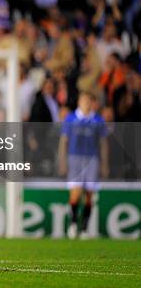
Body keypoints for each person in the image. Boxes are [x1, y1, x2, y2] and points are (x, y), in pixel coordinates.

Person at [58, 92, 109, 240]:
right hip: (74, 159)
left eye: (88, 100)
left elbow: (103, 143)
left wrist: (104, 163)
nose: (85, 103)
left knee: (89, 195)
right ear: (79, 102)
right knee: (75, 193)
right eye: (83, 100)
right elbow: (64, 140)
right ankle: (73, 224)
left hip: (92, 160)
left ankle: (85, 228)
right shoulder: (71, 118)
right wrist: (63, 161)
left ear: (91, 102)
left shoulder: (97, 120)